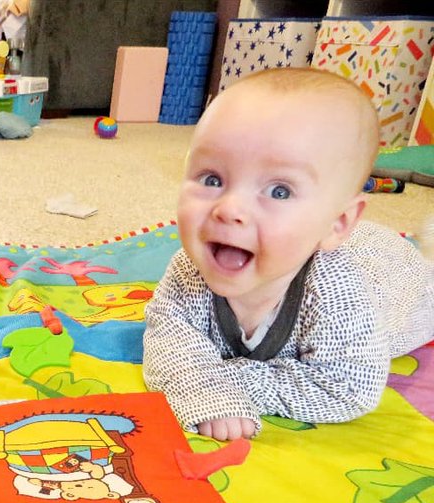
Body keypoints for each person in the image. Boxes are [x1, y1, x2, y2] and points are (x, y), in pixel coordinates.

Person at [142, 67, 434, 441]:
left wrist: (225, 377)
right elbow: (168, 340)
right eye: (212, 179)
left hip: (393, 271)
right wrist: (201, 386)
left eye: (279, 191)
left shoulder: (338, 293)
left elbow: (347, 388)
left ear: (336, 223)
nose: (230, 209)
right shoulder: (187, 271)